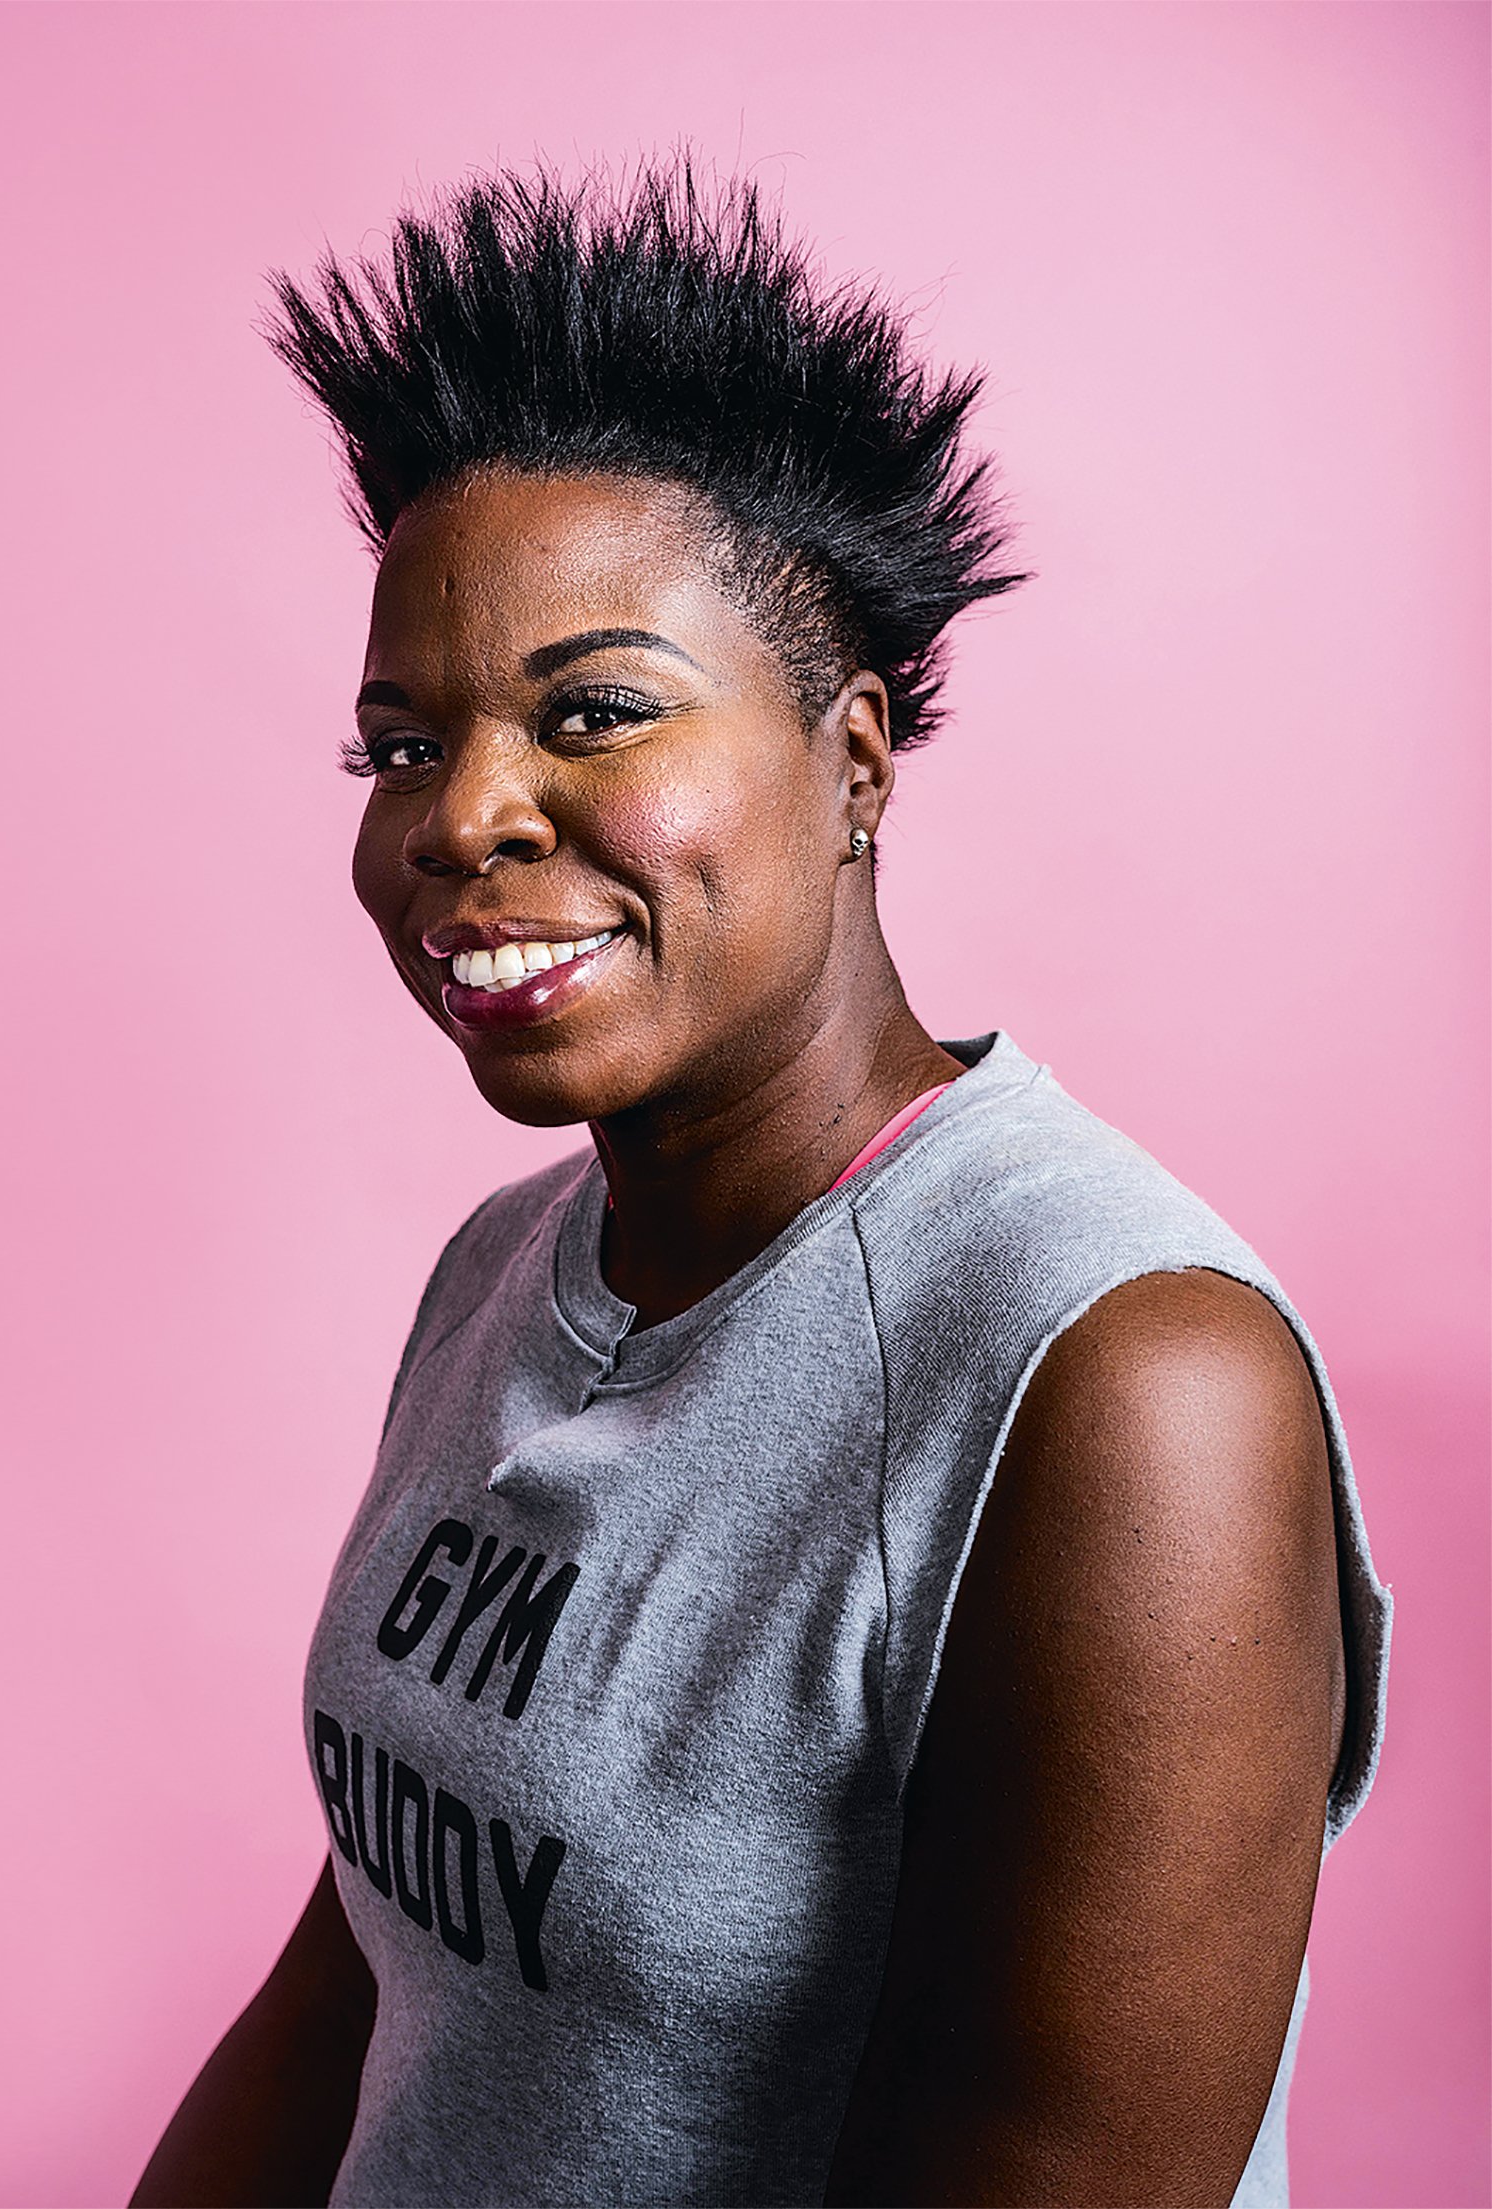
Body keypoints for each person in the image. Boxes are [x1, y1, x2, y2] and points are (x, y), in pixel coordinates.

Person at [132, 164, 1390, 2209]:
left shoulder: (1119, 1383)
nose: (462, 816)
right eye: (397, 747)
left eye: (593, 711)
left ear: (858, 761)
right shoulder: (504, 1273)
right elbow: (375, 1964)